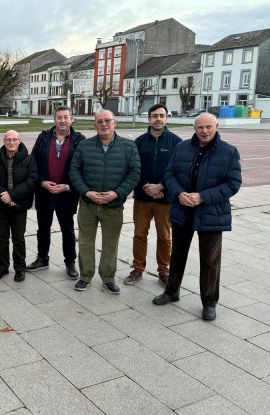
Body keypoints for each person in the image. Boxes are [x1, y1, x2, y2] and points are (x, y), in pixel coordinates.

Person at [153, 113, 241, 321]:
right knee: (177, 255)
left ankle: (209, 303)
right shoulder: (182, 147)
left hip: (211, 213)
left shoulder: (229, 152)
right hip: (183, 210)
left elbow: (233, 184)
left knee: (210, 261)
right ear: (194, 127)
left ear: (216, 126)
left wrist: (202, 197)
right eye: (200, 127)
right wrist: (179, 194)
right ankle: (171, 291)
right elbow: (170, 174)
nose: (204, 131)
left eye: (208, 127)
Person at [69, 110, 140, 294]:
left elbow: (134, 173)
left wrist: (117, 193)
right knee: (85, 241)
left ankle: (108, 278)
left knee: (110, 243)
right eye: (99, 121)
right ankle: (85, 277)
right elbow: (74, 171)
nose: (104, 124)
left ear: (114, 123)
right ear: (95, 126)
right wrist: (87, 192)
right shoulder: (85, 146)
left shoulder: (128, 146)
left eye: (107, 120)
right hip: (88, 204)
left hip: (113, 205)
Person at [124, 104, 182, 287]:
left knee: (164, 236)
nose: (158, 119)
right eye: (155, 115)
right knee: (140, 234)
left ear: (166, 118)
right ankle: (138, 268)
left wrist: (162, 186)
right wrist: (147, 186)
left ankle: (164, 271)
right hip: (142, 197)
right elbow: (133, 168)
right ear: (148, 119)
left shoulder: (176, 142)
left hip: (165, 199)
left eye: (162, 115)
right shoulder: (140, 142)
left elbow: (178, 170)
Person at [27, 105, 84, 279]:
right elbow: (33, 163)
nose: (62, 121)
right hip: (45, 192)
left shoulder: (79, 140)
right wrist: (42, 182)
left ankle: (70, 262)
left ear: (71, 119)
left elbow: (83, 168)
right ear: (54, 120)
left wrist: (68, 186)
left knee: (68, 230)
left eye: (66, 117)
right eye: (59, 117)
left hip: (67, 194)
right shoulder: (43, 137)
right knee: (43, 228)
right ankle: (42, 258)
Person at [0, 130, 38, 282]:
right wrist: (3, 194)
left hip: (18, 206)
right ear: (4, 141)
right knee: (1, 238)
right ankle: (3, 266)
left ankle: (20, 268)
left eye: (14, 139)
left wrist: (12, 195)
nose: (11, 142)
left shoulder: (29, 160)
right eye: (8, 139)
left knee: (18, 239)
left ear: (19, 141)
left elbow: (31, 182)